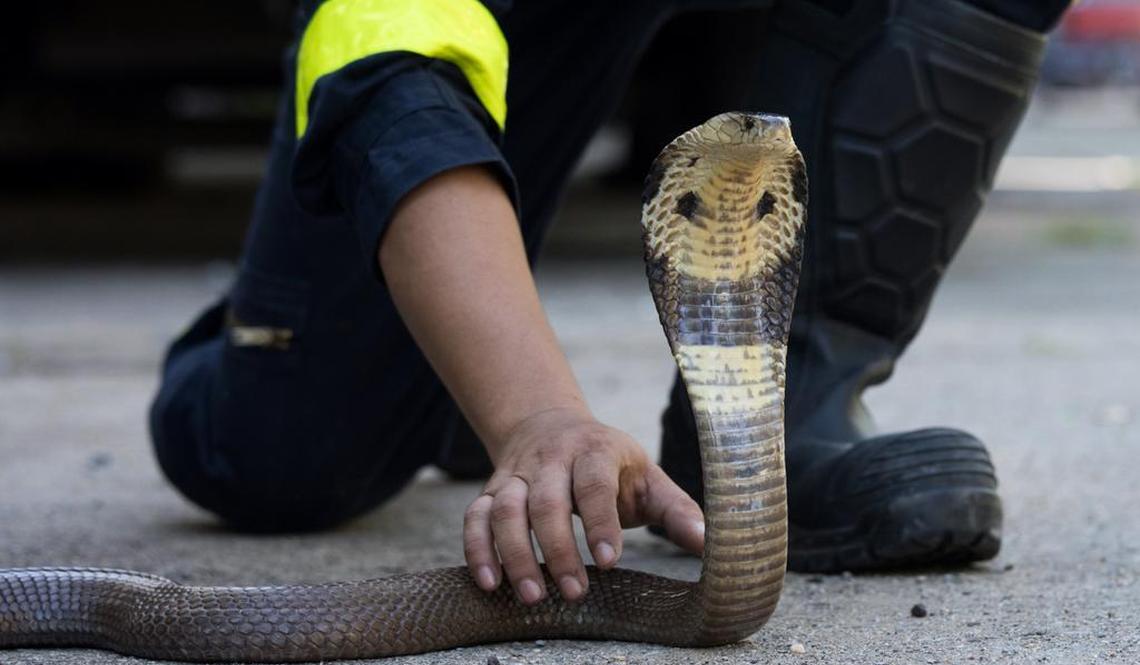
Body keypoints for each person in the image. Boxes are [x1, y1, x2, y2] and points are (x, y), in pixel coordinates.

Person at [149, 0, 1071, 606]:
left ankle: (792, 410)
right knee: (282, 461)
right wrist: (540, 415)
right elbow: (391, 79)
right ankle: (422, 359)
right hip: (443, 52)